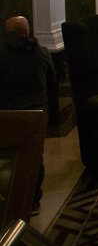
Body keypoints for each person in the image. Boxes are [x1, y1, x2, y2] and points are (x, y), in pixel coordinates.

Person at [0, 16, 59, 215]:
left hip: (7, 113)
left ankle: (7, 198)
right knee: (35, 158)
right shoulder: (41, 53)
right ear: (27, 31)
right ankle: (33, 200)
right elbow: (52, 83)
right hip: (36, 113)